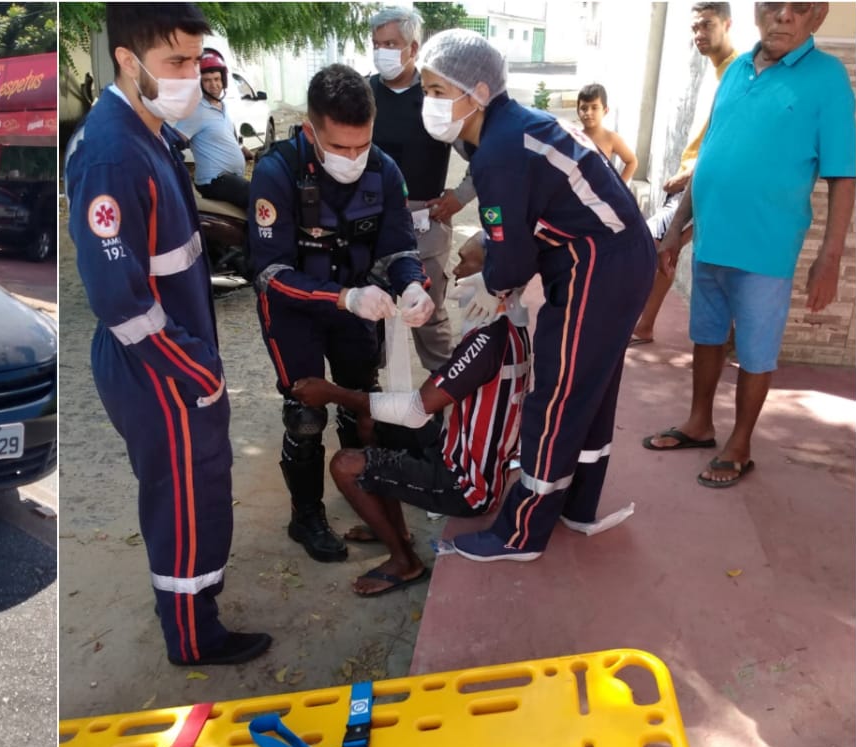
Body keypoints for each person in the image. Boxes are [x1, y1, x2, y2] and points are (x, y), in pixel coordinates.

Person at [66, 3, 271, 667]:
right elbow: (121, 301)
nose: (192, 75)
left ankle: (200, 601)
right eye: (175, 62)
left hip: (176, 356)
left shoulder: (149, 129)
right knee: (181, 498)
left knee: (202, 485)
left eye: (196, 59)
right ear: (127, 60)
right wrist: (197, 371)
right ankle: (192, 636)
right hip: (157, 365)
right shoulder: (113, 156)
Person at [419, 29, 656, 562]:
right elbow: (520, 222)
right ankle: (576, 504)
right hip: (613, 256)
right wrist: (495, 260)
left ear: (477, 89)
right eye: (426, 91)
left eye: (437, 91)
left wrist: (494, 282)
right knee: (588, 388)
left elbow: (513, 253)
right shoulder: (509, 128)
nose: (428, 103)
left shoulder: (499, 148)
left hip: (599, 264)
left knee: (555, 392)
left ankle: (520, 533)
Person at [643, 1, 854, 486]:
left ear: (817, 17)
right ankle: (699, 424)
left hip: (767, 247)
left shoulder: (828, 80)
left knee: (756, 349)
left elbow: (844, 176)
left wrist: (830, 255)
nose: (782, 16)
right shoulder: (738, 68)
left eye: (797, 8)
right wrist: (676, 230)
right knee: (707, 334)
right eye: (772, 5)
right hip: (712, 238)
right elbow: (710, 154)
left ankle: (740, 443)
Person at [248, 63, 435, 565]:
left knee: (361, 403)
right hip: (297, 311)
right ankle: (305, 514)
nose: (353, 158)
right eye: (339, 147)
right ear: (311, 130)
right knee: (307, 413)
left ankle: (367, 495)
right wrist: (342, 298)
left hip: (360, 305)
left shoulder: (385, 170)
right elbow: (270, 273)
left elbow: (398, 246)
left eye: (362, 145)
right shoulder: (276, 172)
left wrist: (414, 285)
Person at [293, 287, 532, 595]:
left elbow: (417, 410)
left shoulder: (488, 341)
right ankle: (395, 531)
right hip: (457, 449)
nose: (458, 271)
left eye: (467, 262)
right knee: (374, 420)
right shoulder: (510, 329)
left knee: (345, 465)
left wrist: (331, 393)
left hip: (466, 484)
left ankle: (405, 562)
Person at [630, 1, 740, 345]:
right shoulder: (717, 70)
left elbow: (733, 138)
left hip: (706, 183)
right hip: (695, 180)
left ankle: (645, 325)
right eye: (695, 27)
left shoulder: (738, 73)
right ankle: (648, 325)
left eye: (707, 25)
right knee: (667, 247)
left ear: (727, 24)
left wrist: (690, 173)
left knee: (654, 241)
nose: (699, 34)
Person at [366, 6, 458, 375]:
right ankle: (366, 401)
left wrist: (460, 196)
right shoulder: (363, 93)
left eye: (391, 43)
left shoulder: (435, 94)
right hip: (369, 220)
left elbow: (481, 152)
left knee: (428, 314)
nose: (382, 51)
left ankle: (448, 399)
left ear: (413, 47)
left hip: (424, 221)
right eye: (376, 44)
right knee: (373, 318)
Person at [174, 48, 253, 209]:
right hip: (213, 180)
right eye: (207, 80)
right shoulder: (196, 110)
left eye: (217, 79)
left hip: (230, 178)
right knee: (258, 197)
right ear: (200, 84)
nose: (214, 85)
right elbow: (175, 141)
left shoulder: (222, 107)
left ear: (223, 80)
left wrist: (242, 150)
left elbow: (223, 138)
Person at [574, 84, 637, 184]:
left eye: (594, 108)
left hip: (601, 193)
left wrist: (619, 186)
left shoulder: (611, 138)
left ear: (605, 110)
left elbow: (632, 161)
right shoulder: (574, 137)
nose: (588, 112)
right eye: (584, 108)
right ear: (578, 111)